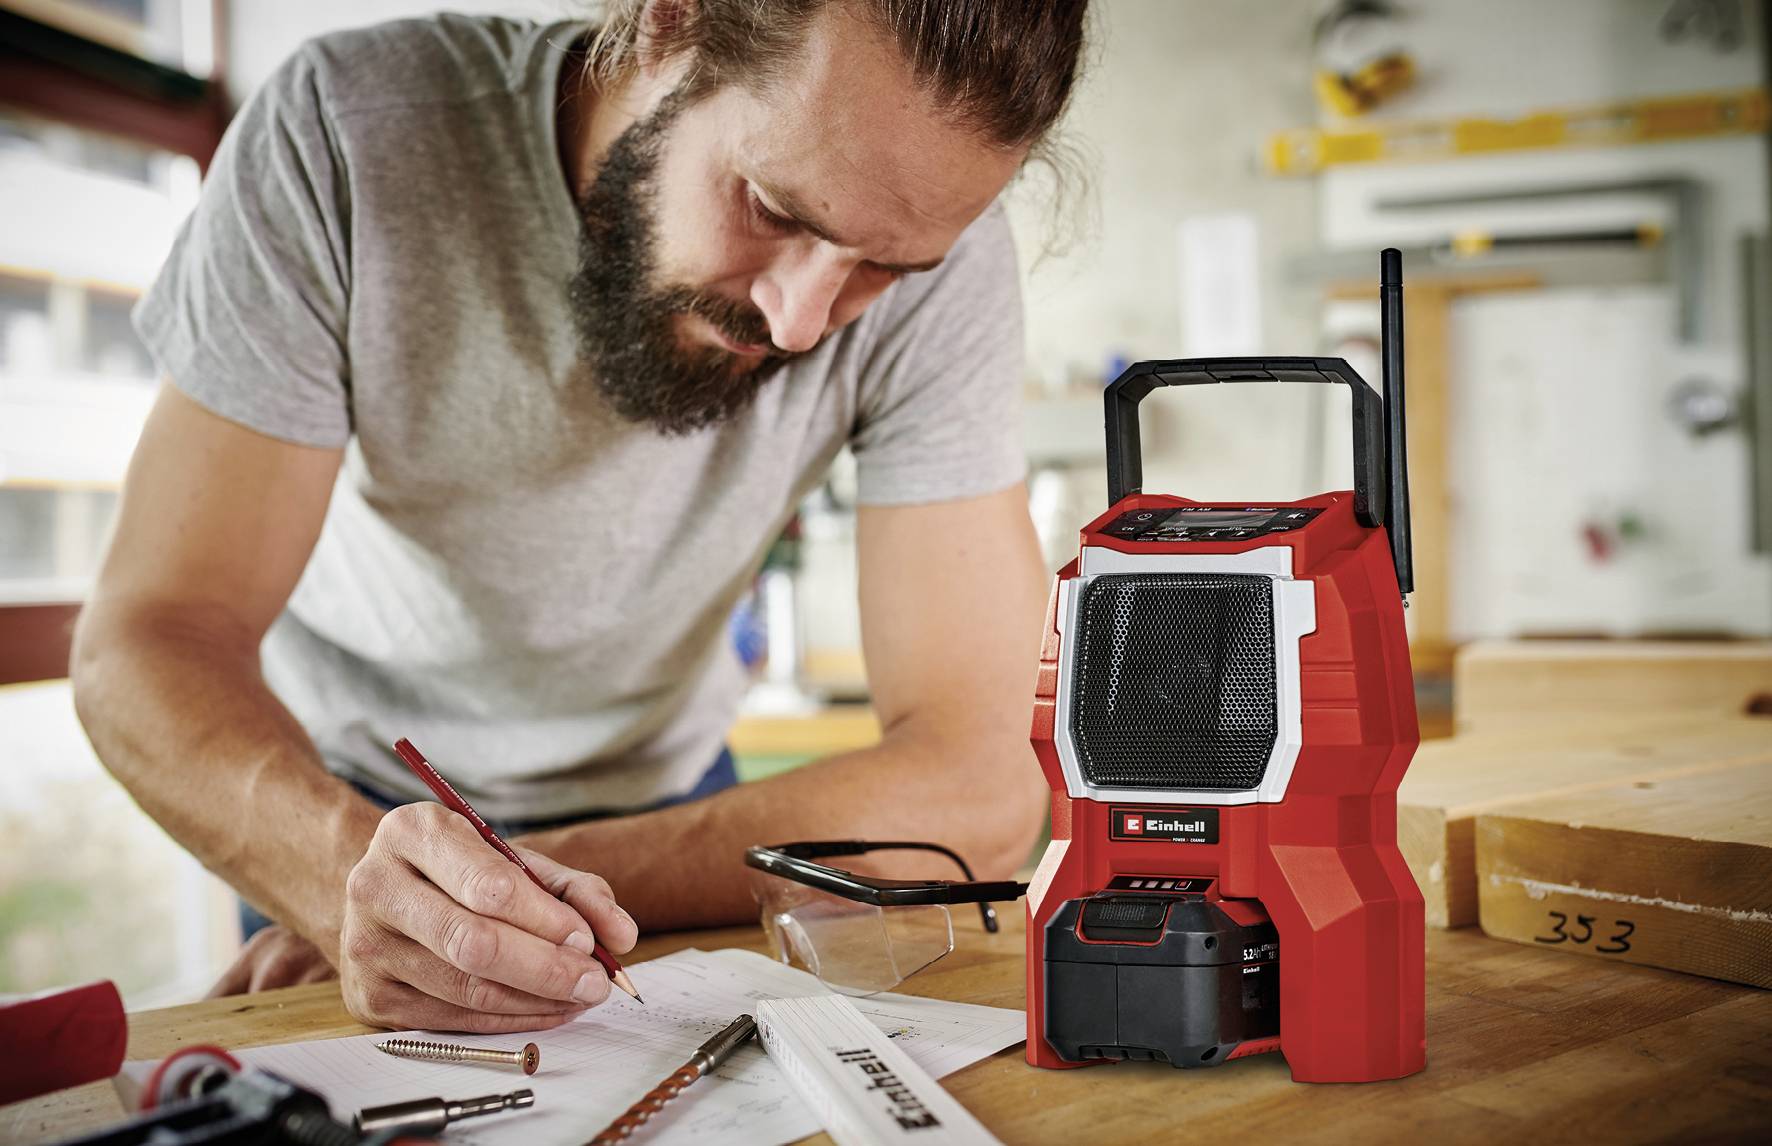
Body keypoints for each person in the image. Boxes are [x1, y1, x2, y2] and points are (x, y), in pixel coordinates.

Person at [72, 0, 1088, 1034]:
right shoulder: (346, 129)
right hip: (341, 812)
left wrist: (510, 893)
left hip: (686, 822)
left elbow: (985, 780)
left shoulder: (944, 258)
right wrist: (351, 880)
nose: (800, 321)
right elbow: (147, 640)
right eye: (774, 211)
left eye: (883, 270)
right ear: (664, 23)